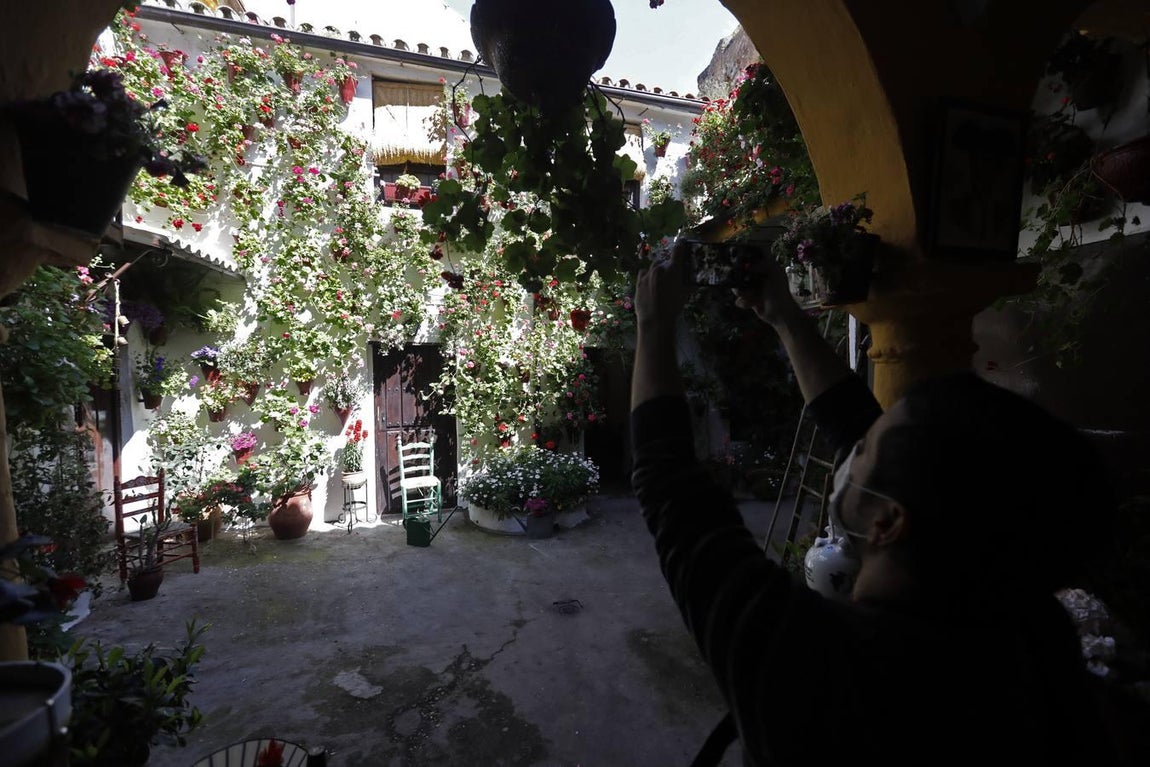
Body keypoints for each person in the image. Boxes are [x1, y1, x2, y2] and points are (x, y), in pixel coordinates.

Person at [630, 241, 1123, 766]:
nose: (853, 447)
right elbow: (868, 434)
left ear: (888, 522)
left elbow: (671, 486)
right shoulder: (1030, 636)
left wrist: (654, 326)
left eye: (864, 451)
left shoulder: (814, 669)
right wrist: (783, 316)